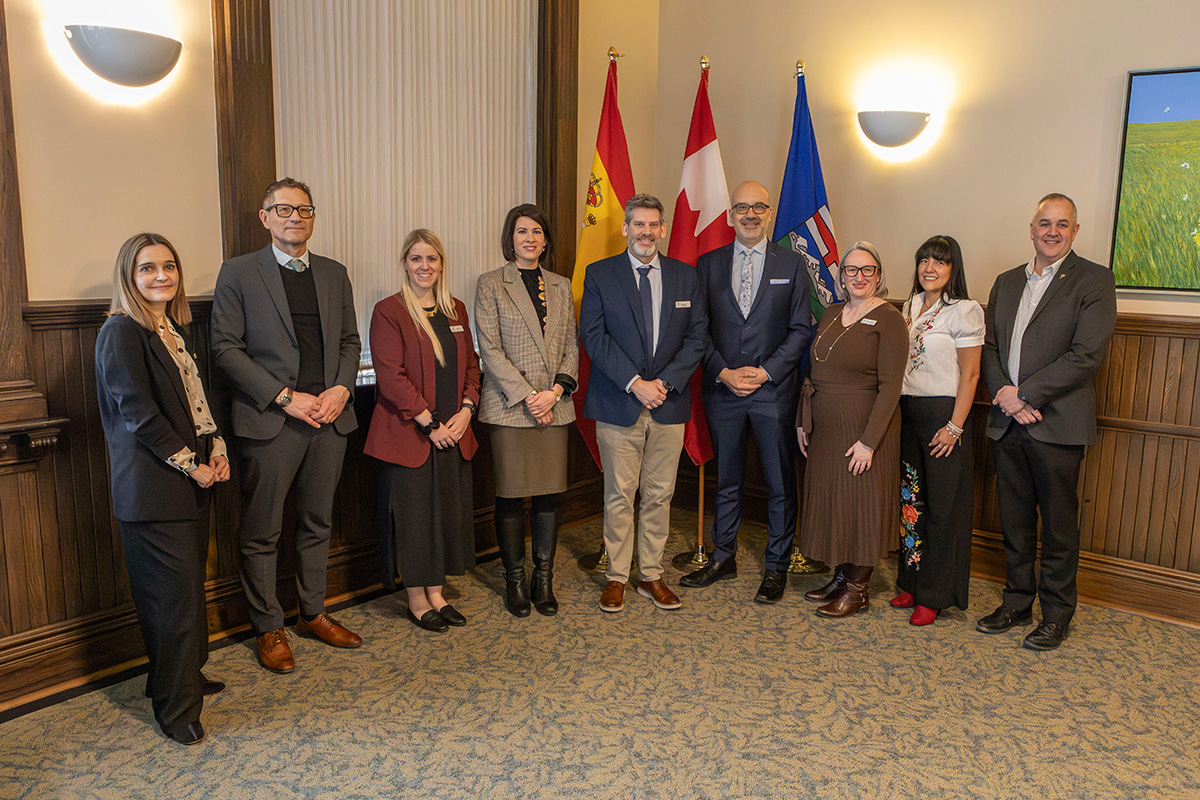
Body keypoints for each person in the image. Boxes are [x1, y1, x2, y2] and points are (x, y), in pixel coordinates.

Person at [211, 177, 363, 673]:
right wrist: (284, 398)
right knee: (263, 531)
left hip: (329, 419)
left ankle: (312, 613)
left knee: (317, 522)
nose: (295, 218)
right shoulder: (237, 273)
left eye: (304, 210)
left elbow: (348, 341)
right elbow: (224, 349)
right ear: (265, 217)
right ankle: (268, 626)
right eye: (284, 210)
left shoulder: (335, 273)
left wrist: (341, 389)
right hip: (272, 421)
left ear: (314, 217)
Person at [95, 233, 231, 745]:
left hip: (191, 482)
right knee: (172, 602)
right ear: (129, 277)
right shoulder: (120, 332)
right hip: (154, 490)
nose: (161, 276)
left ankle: (178, 678)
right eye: (147, 268)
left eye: (169, 267)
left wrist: (216, 449)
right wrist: (191, 464)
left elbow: (197, 403)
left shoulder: (171, 329)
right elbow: (139, 415)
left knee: (183, 594)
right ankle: (177, 712)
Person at [977, 193, 1116, 650]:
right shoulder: (1005, 281)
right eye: (1044, 223)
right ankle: (1017, 602)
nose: (1052, 231)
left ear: (1075, 231)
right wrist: (1005, 396)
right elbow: (990, 348)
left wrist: (1025, 395)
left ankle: (1056, 615)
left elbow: (1087, 356)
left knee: (1058, 527)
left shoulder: (1094, 280)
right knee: (1014, 522)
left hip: (1056, 423)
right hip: (1007, 421)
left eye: (1062, 224)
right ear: (1031, 228)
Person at [680, 180, 811, 603]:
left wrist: (766, 372)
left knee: (778, 483)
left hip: (773, 393)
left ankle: (776, 567)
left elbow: (799, 331)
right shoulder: (708, 264)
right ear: (731, 215)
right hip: (723, 392)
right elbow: (698, 331)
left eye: (758, 207)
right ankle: (723, 556)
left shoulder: (792, 264)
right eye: (741, 208)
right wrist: (722, 372)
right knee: (728, 481)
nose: (750, 215)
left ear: (770, 213)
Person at [580, 193, 708, 613]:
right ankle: (617, 576)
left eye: (654, 225)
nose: (646, 232)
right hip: (620, 402)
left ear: (664, 229)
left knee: (659, 494)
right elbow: (594, 338)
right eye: (638, 224)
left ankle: (650, 575)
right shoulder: (600, 274)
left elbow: (697, 339)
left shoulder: (686, 277)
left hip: (668, 404)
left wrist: (664, 384)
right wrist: (636, 383)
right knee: (619, 493)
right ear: (625, 228)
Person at [365, 229, 481, 633]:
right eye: (416, 259)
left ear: (442, 264)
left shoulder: (456, 310)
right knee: (415, 518)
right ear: (405, 264)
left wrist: (467, 410)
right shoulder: (389, 311)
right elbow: (391, 376)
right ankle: (417, 599)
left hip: (454, 430)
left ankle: (437, 592)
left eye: (432, 259)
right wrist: (429, 423)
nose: (424, 266)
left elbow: (471, 366)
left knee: (444, 514)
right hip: (411, 433)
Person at [474, 204, 578, 617]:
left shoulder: (560, 284)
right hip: (509, 407)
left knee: (550, 494)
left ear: (546, 239)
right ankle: (515, 580)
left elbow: (571, 344)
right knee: (512, 497)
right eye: (522, 231)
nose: (530, 238)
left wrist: (553, 393)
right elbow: (489, 348)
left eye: (537, 231)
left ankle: (543, 579)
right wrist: (528, 396)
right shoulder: (490, 283)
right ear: (510, 238)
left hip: (554, 405)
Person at [796, 242, 907, 617]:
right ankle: (842, 576)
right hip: (827, 427)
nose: (859, 277)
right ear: (841, 275)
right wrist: (804, 419)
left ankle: (858, 589)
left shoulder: (890, 318)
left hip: (865, 427)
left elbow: (891, 387)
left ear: (879, 275)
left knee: (861, 504)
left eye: (868, 270)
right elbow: (815, 371)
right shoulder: (830, 312)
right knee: (836, 502)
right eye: (851, 270)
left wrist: (869, 442)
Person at [893, 235, 983, 625]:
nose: (930, 268)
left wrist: (955, 427)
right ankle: (910, 581)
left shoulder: (964, 311)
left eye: (940, 262)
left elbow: (972, 373)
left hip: (943, 416)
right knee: (911, 505)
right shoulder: (908, 306)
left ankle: (934, 594)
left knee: (943, 510)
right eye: (924, 260)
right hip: (907, 413)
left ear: (953, 268)